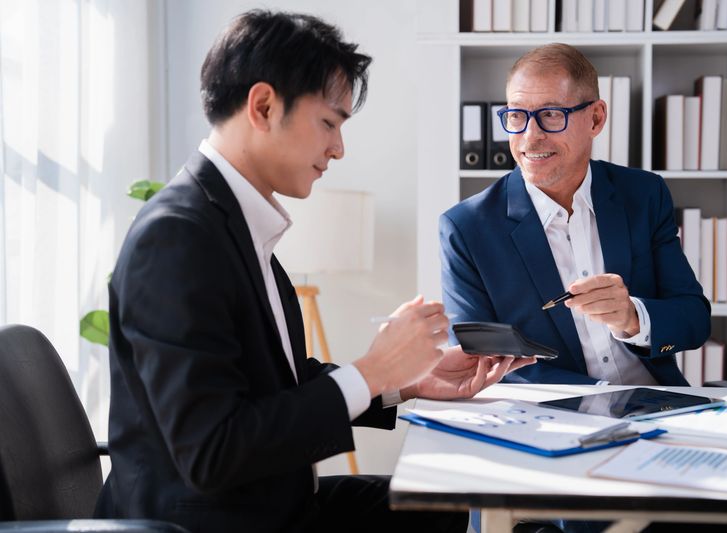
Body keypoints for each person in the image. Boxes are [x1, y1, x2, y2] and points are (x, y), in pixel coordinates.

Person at [94, 10, 533, 533]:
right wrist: (372, 370)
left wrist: (405, 382)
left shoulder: (234, 224)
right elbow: (211, 452)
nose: (338, 148)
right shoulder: (177, 238)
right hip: (208, 522)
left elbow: (274, 384)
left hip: (270, 503)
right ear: (262, 106)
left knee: (440, 505)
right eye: (329, 122)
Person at [440, 43, 711, 387]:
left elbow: (694, 319)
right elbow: (480, 359)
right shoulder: (465, 228)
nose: (530, 137)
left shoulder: (644, 195)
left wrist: (633, 317)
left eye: (551, 114)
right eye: (516, 115)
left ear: (596, 118)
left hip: (656, 405)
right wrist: (602, 399)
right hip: (553, 420)